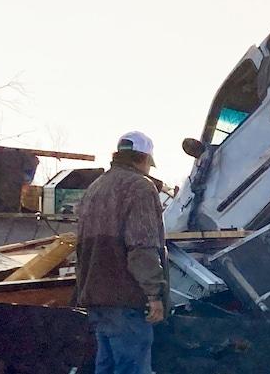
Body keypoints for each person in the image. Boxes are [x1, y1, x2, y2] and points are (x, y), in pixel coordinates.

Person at [74, 131, 170, 374]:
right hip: (126, 300)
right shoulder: (140, 187)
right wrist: (154, 295)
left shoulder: (96, 187)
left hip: (96, 298)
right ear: (144, 159)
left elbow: (81, 247)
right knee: (133, 368)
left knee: (106, 366)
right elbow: (141, 246)